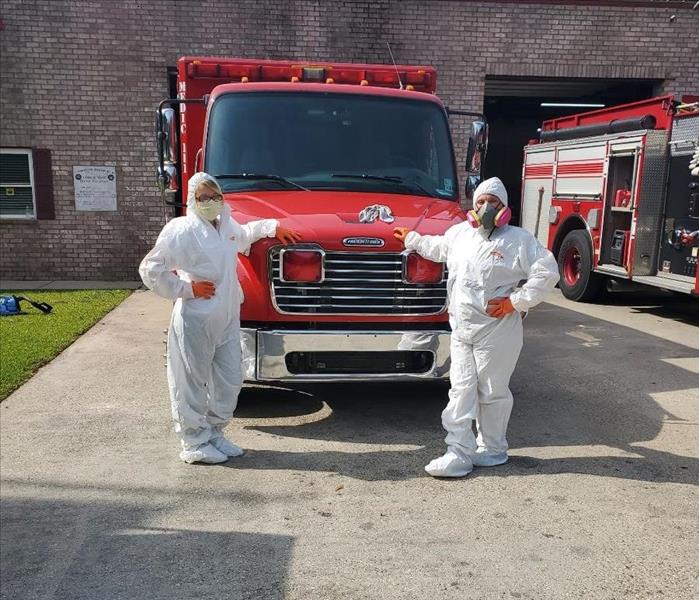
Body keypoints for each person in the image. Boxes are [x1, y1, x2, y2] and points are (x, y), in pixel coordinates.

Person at [394, 177, 559, 478]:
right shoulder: (460, 234)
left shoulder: (518, 240)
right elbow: (437, 247)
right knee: (459, 390)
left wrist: (516, 302)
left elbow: (547, 272)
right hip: (462, 330)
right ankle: (457, 451)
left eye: (492, 202)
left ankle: (493, 449)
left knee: (493, 392)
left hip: (498, 331)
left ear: (504, 208)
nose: (484, 207)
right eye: (481, 201)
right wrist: (411, 238)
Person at [140, 172, 301, 464]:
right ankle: (193, 442)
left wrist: (273, 226)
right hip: (195, 318)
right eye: (203, 197)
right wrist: (186, 289)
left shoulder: (226, 223)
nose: (210, 202)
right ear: (192, 200)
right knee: (190, 380)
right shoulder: (182, 230)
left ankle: (214, 433)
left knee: (230, 377)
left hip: (227, 316)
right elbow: (150, 268)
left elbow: (245, 236)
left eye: (215, 196)